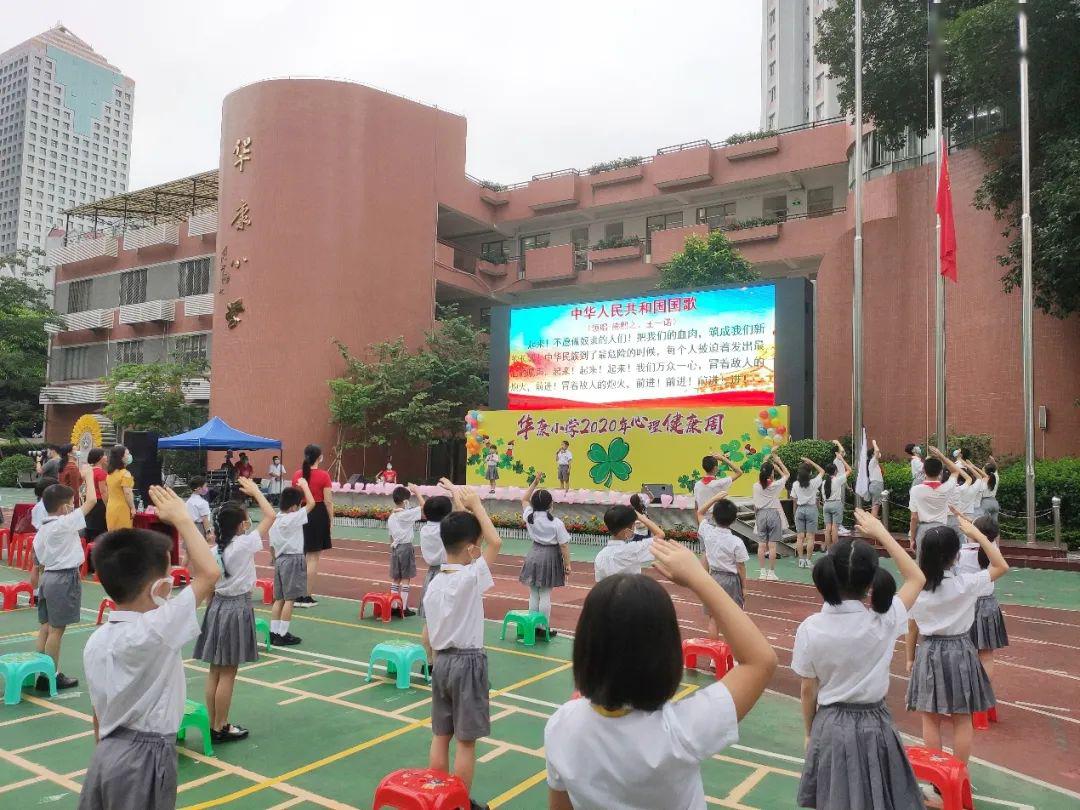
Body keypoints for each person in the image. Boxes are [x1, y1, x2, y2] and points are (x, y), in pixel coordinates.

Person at [544, 539, 777, 810]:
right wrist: (699, 578)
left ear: (586, 646)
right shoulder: (682, 730)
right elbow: (760, 661)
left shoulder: (561, 726)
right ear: (665, 651)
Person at [79, 485, 221, 810]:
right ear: (158, 587)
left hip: (107, 753)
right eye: (169, 578)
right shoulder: (155, 630)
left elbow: (98, 716)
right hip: (146, 757)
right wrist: (184, 520)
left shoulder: (98, 639)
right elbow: (210, 573)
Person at [794, 509, 926, 810]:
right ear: (871, 583)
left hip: (830, 725)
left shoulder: (811, 629)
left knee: (835, 798)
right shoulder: (883, 620)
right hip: (874, 723)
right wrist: (881, 533)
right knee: (878, 798)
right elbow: (916, 577)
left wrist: (809, 732)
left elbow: (807, 690)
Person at [905, 509, 1009, 765]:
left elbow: (912, 628)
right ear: (956, 555)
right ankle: (958, 774)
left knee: (930, 717)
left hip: (929, 651)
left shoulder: (917, 591)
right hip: (962, 649)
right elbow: (1001, 566)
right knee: (962, 718)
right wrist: (978, 536)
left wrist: (909, 658)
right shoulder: (967, 584)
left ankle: (940, 779)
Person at [421, 486, 503, 810]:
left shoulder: (435, 582)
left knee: (441, 735)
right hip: (468, 663)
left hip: (440, 662)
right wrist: (477, 504)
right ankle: (458, 804)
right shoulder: (470, 578)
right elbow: (496, 542)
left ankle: (439, 798)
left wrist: (460, 504)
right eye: (477, 546)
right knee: (466, 742)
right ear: (472, 549)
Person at [193, 477, 275, 743]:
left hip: (216, 607)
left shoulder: (214, 548)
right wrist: (255, 492)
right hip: (236, 607)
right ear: (240, 524)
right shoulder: (242, 545)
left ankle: (213, 723)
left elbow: (210, 586)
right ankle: (221, 725)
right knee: (229, 671)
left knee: (215, 670)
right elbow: (270, 515)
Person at [32, 466, 98, 691]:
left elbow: (39, 560)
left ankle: (38, 669)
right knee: (57, 630)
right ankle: (51, 674)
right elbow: (91, 502)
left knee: (46, 626)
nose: (73, 507)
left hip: (48, 577)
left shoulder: (42, 529)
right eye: (70, 504)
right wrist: (89, 476)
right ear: (63, 507)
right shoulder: (63, 524)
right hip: (63, 578)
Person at [957, 515, 1009, 681]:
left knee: (964, 653)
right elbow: (986, 538)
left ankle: (967, 691)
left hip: (967, 605)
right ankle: (984, 694)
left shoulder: (960, 554)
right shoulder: (994, 552)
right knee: (986, 655)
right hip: (988, 606)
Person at [519, 473, 571, 634]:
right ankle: (544, 627)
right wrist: (567, 564)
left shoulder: (530, 516)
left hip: (533, 553)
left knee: (534, 592)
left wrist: (535, 482)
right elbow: (563, 545)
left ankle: (533, 626)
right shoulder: (556, 523)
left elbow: (524, 499)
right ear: (550, 504)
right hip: (550, 556)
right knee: (546, 593)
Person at [268, 478, 316, 646]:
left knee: (279, 599)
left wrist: (274, 561)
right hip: (293, 559)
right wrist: (304, 485)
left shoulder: (275, 521)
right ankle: (283, 633)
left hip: (280, 560)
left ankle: (273, 632)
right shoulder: (293, 518)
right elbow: (311, 503)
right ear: (294, 506)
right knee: (290, 599)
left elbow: (272, 547)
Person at [696, 492, 750, 639]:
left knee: (714, 618)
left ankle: (715, 658)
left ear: (713, 516)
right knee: (732, 620)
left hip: (713, 578)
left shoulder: (708, 532)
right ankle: (731, 655)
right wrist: (744, 587)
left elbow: (700, 512)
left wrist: (714, 498)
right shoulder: (736, 542)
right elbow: (741, 567)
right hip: (731, 581)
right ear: (734, 520)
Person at [291, 444, 333, 607]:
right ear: (319, 457)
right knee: (313, 557)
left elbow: (293, 498)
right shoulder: (323, 476)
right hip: (317, 512)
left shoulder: (297, 475)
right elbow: (328, 501)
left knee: (301, 555)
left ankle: (296, 594)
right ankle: (306, 596)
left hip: (300, 511)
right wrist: (331, 519)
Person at [907, 447, 962, 560]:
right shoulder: (946, 488)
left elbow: (914, 517)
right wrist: (941, 455)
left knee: (923, 565)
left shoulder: (916, 490)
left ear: (924, 471)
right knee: (942, 563)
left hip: (923, 530)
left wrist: (912, 538)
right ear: (940, 471)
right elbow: (956, 471)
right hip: (942, 529)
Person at [419, 479, 459, 623]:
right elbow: (463, 515)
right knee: (449, 617)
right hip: (448, 573)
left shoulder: (425, 530)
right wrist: (453, 490)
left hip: (431, 574)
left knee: (432, 619)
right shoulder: (445, 529)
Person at [594, 504, 663, 582]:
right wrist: (640, 517)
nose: (634, 529)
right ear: (626, 531)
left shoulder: (600, 556)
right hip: (630, 592)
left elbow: (599, 583)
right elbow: (660, 535)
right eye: (633, 526)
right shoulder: (632, 550)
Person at [388, 483, 425, 617]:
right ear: (405, 501)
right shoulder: (405, 514)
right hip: (405, 547)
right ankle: (403, 608)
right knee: (406, 578)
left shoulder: (392, 516)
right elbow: (425, 509)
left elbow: (391, 537)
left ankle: (393, 606)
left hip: (395, 547)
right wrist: (417, 492)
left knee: (396, 578)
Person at [752, 454, 788, 581]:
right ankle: (771, 573)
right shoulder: (775, 485)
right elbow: (787, 475)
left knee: (761, 545)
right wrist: (779, 462)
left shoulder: (755, 486)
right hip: (773, 513)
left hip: (761, 514)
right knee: (772, 546)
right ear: (771, 473)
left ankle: (762, 572)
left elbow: (755, 505)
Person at [790, 456, 826, 569]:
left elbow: (794, 499)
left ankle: (801, 560)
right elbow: (822, 471)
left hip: (800, 510)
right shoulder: (814, 482)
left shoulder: (795, 484)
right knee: (811, 537)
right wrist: (811, 461)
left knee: (800, 537)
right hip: (811, 509)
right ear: (810, 472)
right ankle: (809, 561)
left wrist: (795, 511)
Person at [821, 442, 849, 550]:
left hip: (826, 505)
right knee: (835, 529)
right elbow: (850, 470)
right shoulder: (837, 480)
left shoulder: (824, 482)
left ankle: (828, 549)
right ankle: (835, 550)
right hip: (836, 504)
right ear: (836, 471)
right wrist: (842, 459)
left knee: (828, 528)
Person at [105, 445, 135, 532]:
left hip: (111, 507)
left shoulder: (110, 474)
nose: (129, 456)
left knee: (112, 536)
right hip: (122, 508)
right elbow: (127, 493)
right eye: (127, 454)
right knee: (123, 536)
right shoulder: (125, 474)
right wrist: (132, 507)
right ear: (121, 457)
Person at [84, 448, 109, 541]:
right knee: (99, 531)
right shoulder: (101, 473)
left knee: (90, 529)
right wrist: (108, 505)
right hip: (99, 504)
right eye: (105, 455)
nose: (107, 457)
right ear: (100, 457)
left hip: (90, 502)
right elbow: (103, 491)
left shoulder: (89, 471)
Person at [185, 476, 213, 542]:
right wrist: (208, 533)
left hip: (190, 528)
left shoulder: (188, 501)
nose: (207, 488)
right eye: (205, 486)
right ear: (199, 489)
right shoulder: (202, 502)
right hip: (200, 528)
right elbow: (205, 520)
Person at [866, 440, 885, 519]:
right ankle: (872, 526)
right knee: (875, 507)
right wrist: (874, 442)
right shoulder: (873, 460)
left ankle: (873, 522)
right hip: (877, 485)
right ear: (873, 454)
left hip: (875, 485)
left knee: (875, 506)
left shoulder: (873, 462)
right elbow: (877, 450)